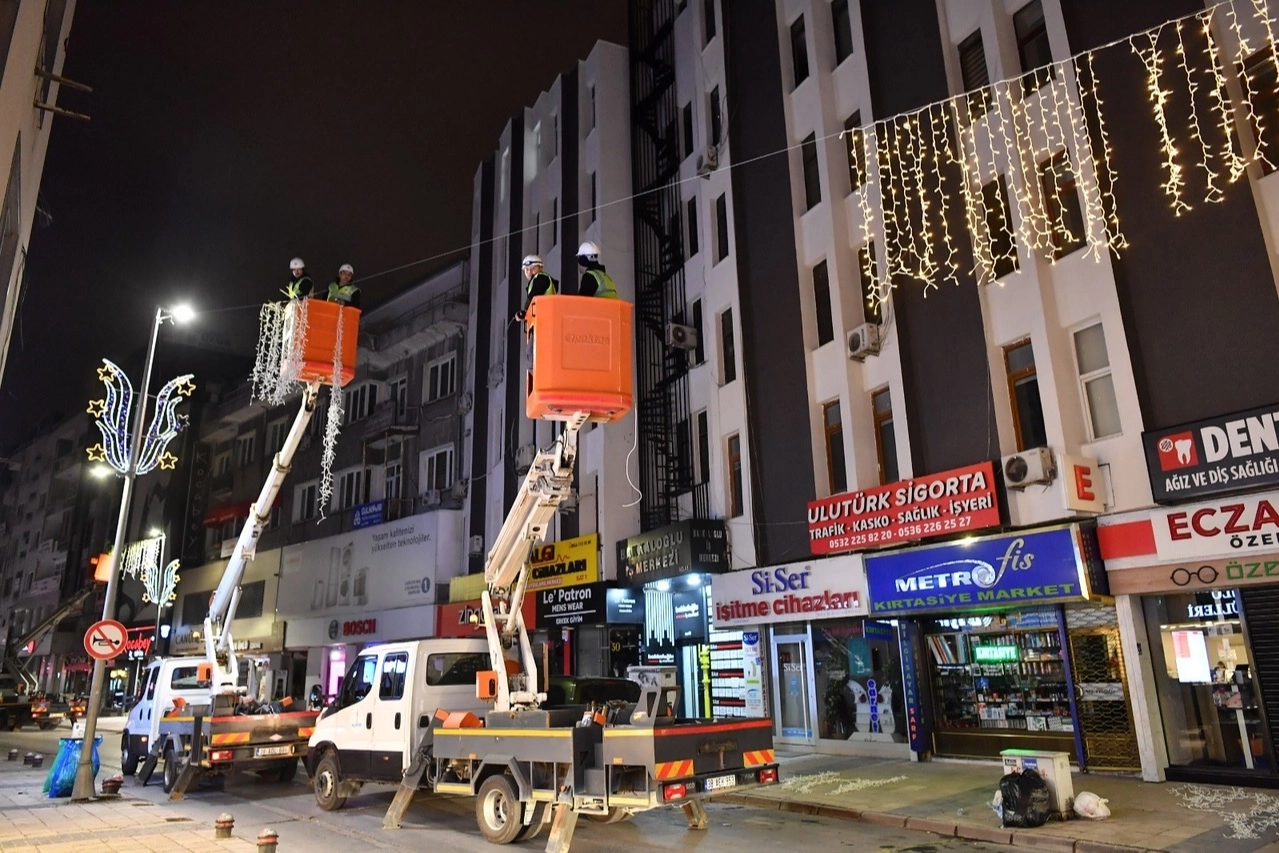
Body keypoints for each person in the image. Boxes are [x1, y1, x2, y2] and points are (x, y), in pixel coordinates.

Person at [515, 254, 558, 322]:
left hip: (546, 318)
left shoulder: (541, 278)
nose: (529, 272)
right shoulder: (534, 282)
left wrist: (525, 310)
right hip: (544, 318)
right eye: (527, 269)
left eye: (533, 268)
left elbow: (534, 295)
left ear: (541, 268)